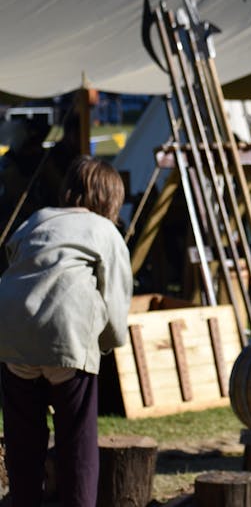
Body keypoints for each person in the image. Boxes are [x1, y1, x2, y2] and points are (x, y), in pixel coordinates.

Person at [0, 155, 133, 507]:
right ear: (111, 200)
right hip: (67, 333)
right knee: (77, 440)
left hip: (11, 333)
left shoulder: (35, 220)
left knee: (23, 439)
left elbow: (15, 261)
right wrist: (104, 344)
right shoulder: (106, 231)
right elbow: (117, 302)